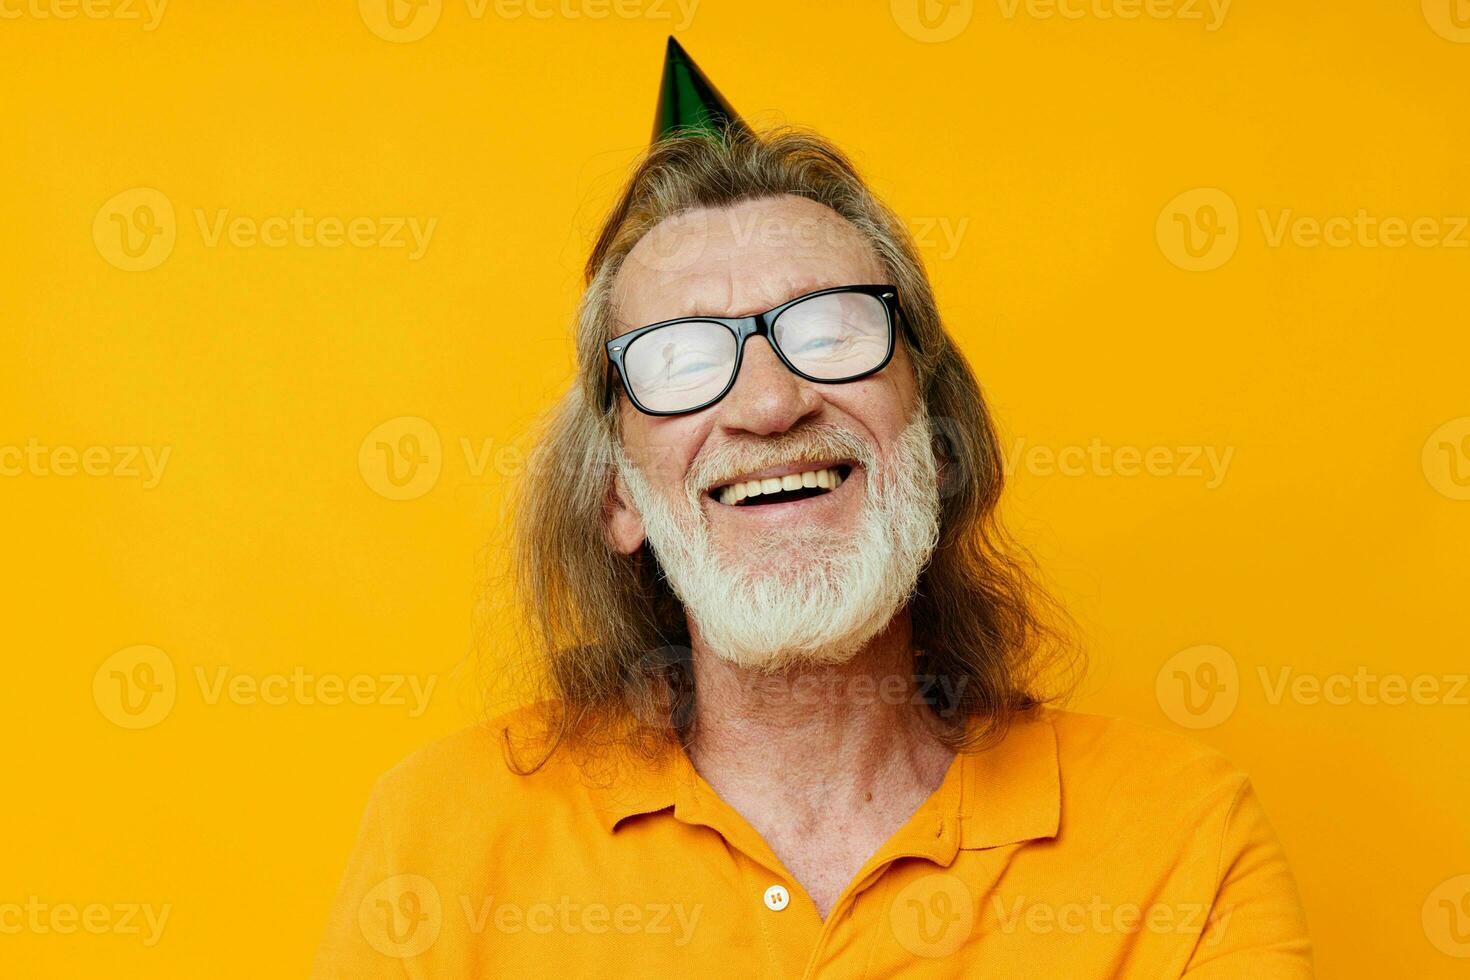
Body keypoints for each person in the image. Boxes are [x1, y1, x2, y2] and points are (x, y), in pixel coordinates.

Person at [312, 39, 1312, 978]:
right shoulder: (438, 836)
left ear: (942, 447)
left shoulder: (1184, 837)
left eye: (831, 331)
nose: (769, 401)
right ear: (618, 494)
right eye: (683, 360)